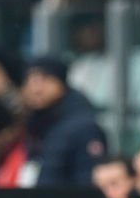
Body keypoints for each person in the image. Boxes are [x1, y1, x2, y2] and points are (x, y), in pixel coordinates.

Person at [20, 56, 107, 187]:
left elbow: (87, 182)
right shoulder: (35, 123)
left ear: (61, 83)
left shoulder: (82, 126)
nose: (36, 89)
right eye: (30, 81)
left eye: (44, 80)